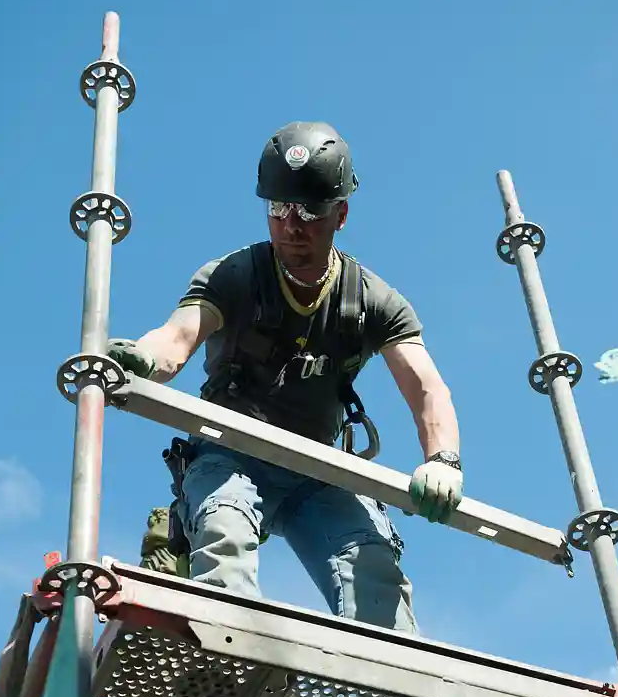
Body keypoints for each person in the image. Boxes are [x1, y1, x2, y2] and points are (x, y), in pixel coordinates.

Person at [108, 122, 462, 634]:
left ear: (341, 214)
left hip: (319, 466)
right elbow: (179, 336)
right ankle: (230, 667)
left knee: (372, 570)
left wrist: (443, 460)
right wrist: (144, 359)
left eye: (311, 211)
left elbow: (426, 385)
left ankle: (390, 691)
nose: (292, 224)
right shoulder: (235, 275)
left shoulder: (371, 301)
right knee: (223, 529)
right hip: (230, 450)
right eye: (279, 208)